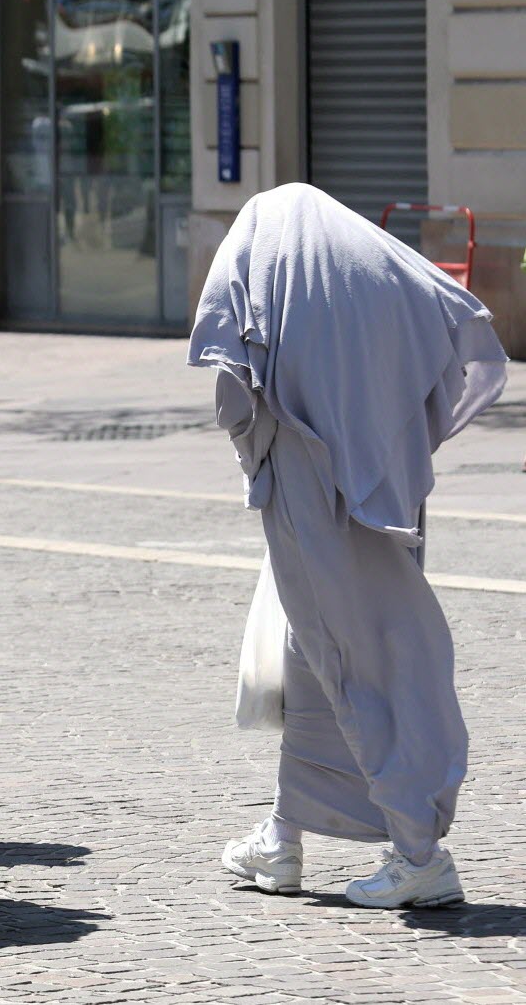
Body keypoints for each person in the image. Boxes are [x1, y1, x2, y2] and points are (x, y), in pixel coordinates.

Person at [190, 183, 507, 909]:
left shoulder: (264, 267)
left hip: (305, 487)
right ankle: (283, 837)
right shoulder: (380, 276)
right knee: (316, 660)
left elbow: (234, 393)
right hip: (384, 482)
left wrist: (259, 454)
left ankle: (418, 854)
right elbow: (453, 345)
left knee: (355, 659)